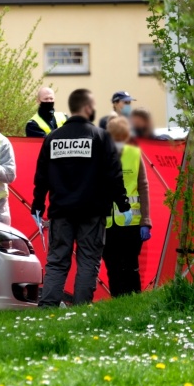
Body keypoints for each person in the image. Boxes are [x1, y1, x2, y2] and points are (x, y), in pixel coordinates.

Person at [32, 88, 131, 307]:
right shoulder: (101, 137)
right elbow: (113, 174)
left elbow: (41, 176)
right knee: (88, 261)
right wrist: (123, 204)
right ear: (87, 108)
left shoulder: (52, 138)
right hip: (92, 212)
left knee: (57, 262)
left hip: (61, 212)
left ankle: (47, 309)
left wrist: (37, 205)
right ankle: (80, 311)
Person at [102, 117, 152, 297]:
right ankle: (118, 303)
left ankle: (134, 301)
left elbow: (143, 186)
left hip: (131, 223)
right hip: (107, 223)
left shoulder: (134, 153)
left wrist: (146, 221)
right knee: (113, 268)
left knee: (131, 266)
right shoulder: (100, 155)